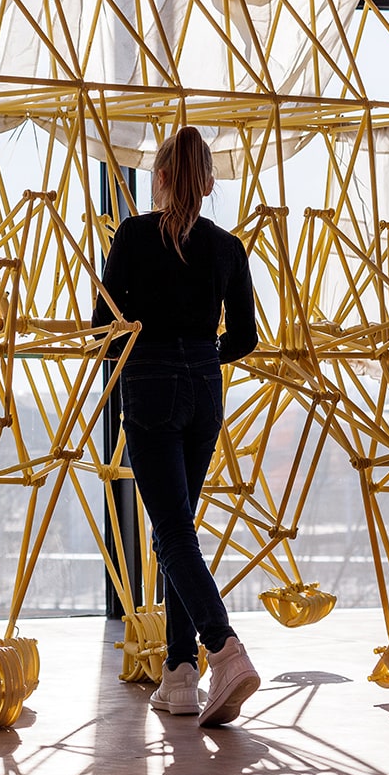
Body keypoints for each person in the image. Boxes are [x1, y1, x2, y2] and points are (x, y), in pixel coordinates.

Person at [91, 125, 261, 728]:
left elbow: (100, 326)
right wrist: (201, 355)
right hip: (203, 389)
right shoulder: (228, 248)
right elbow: (244, 337)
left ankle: (225, 650)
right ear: (209, 182)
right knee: (179, 529)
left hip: (150, 388)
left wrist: (141, 359)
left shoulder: (133, 236)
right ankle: (180, 675)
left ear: (160, 178)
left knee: (168, 534)